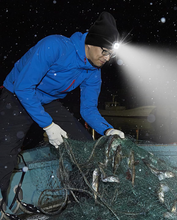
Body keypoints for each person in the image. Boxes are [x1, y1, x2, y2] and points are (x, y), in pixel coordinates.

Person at [0, 11, 125, 219]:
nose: (107, 58)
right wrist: (48, 126)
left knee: (85, 146)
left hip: (47, 101)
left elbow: (88, 110)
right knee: (5, 151)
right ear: (91, 43)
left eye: (111, 54)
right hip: (16, 95)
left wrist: (108, 129)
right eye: (104, 52)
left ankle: (82, 200)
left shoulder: (93, 71)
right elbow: (24, 87)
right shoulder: (55, 46)